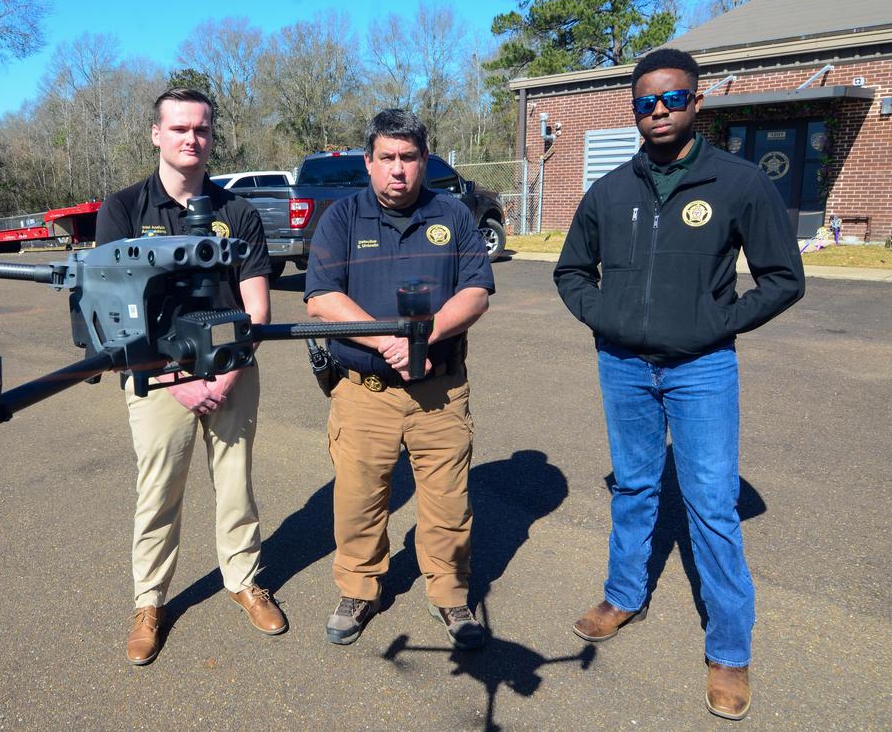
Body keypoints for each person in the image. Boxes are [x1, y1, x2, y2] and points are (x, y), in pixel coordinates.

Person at [554, 48, 805, 720]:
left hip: (702, 369)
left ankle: (729, 649)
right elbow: (571, 271)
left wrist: (717, 322)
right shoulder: (609, 191)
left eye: (672, 98)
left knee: (712, 504)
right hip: (624, 366)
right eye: (646, 102)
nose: (659, 110)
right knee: (635, 486)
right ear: (634, 110)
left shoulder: (740, 182)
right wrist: (606, 318)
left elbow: (784, 278)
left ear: (697, 101)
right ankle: (623, 595)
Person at [95, 88, 286, 666]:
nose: (191, 138)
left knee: (236, 484)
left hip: (232, 371)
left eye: (201, 129)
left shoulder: (238, 212)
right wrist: (177, 381)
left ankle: (244, 580)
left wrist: (228, 371)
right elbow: (112, 309)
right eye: (179, 128)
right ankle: (149, 601)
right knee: (159, 490)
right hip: (158, 375)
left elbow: (257, 304)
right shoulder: (123, 210)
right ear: (156, 134)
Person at [304, 109, 495, 650]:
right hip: (366, 393)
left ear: (424, 161)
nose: (397, 169)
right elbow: (321, 298)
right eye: (386, 157)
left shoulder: (452, 214)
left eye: (408, 158)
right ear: (368, 162)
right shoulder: (342, 218)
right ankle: (358, 589)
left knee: (448, 502)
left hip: (440, 393)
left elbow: (476, 292)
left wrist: (423, 337)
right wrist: (387, 340)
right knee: (359, 500)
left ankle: (450, 593)